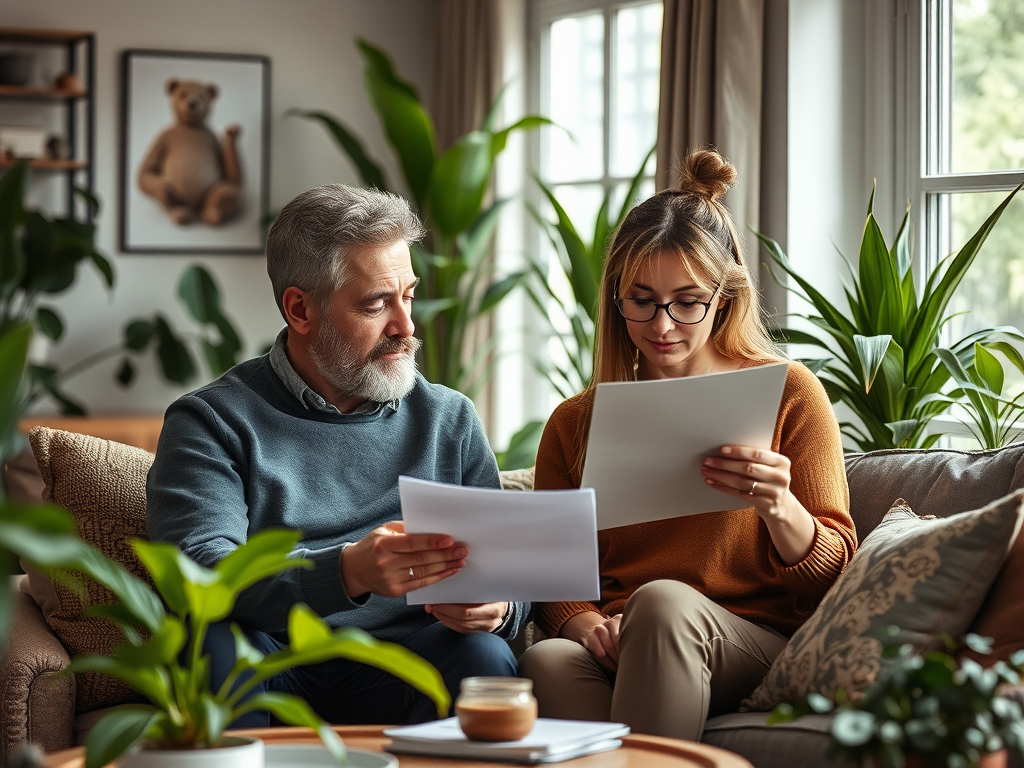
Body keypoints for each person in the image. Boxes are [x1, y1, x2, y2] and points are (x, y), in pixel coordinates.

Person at [147, 184, 526, 727]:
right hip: (272, 661)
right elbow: (201, 576)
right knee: (213, 642)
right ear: (300, 309)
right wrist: (347, 571)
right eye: (377, 304)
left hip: (405, 661)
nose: (406, 327)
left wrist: (502, 607)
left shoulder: (449, 419)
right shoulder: (212, 421)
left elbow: (511, 563)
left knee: (483, 655)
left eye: (409, 296)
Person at [518, 149, 856, 740]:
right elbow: (555, 578)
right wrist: (584, 624)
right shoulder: (574, 422)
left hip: (745, 637)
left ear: (723, 299)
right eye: (641, 300)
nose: (663, 324)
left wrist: (780, 507)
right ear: (616, 295)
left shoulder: (788, 393)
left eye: (688, 301)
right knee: (547, 659)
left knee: (663, 603)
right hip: (625, 637)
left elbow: (830, 580)